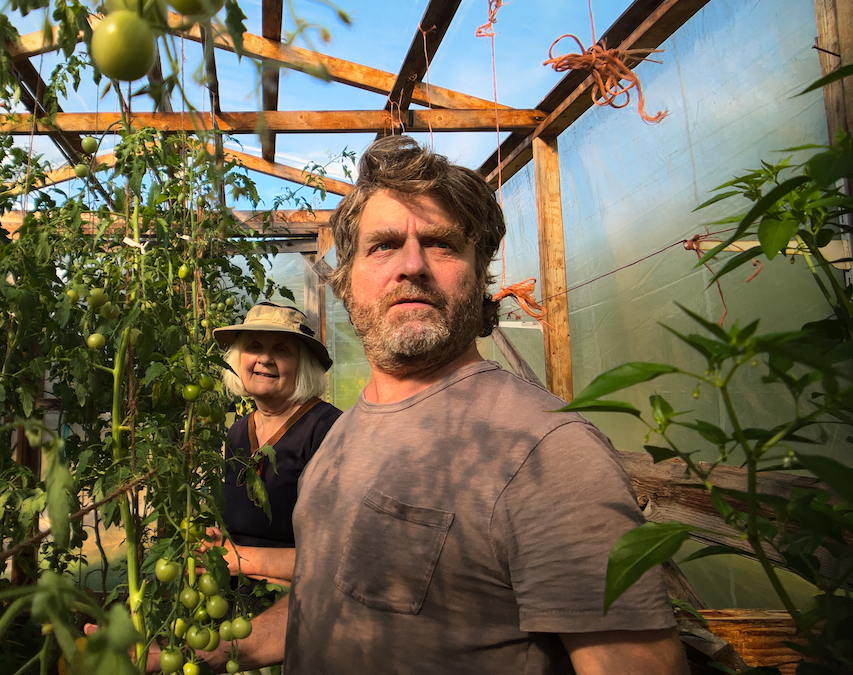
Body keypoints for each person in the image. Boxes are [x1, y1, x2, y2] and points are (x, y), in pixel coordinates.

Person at [202, 136, 688, 674]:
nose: (412, 265)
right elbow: (322, 604)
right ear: (346, 281)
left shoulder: (547, 454)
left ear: (481, 275)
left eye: (442, 244)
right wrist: (212, 651)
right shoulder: (346, 432)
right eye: (383, 245)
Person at [206, 302, 341, 588]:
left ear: (302, 365)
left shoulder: (328, 430)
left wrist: (239, 559)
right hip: (233, 599)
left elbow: (337, 557)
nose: (265, 358)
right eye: (254, 346)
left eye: (282, 349)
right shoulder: (237, 433)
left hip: (294, 603)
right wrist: (221, 541)